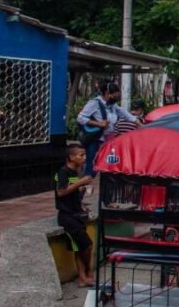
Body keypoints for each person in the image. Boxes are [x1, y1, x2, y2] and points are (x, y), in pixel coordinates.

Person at [77, 83, 139, 177]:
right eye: (115, 96)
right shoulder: (94, 103)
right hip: (94, 138)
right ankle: (82, 187)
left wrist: (140, 124)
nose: (116, 99)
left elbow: (125, 114)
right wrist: (98, 123)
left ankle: (90, 185)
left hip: (106, 139)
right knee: (92, 163)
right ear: (107, 93)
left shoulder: (112, 105)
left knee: (105, 162)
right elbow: (80, 118)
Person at [55, 145, 94, 287]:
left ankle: (83, 277)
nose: (84, 158)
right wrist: (80, 183)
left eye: (84, 155)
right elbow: (61, 192)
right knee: (87, 246)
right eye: (81, 155)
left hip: (77, 214)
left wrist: (83, 189)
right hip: (68, 217)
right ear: (71, 157)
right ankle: (88, 272)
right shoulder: (63, 172)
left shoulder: (75, 172)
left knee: (79, 247)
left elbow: (74, 192)